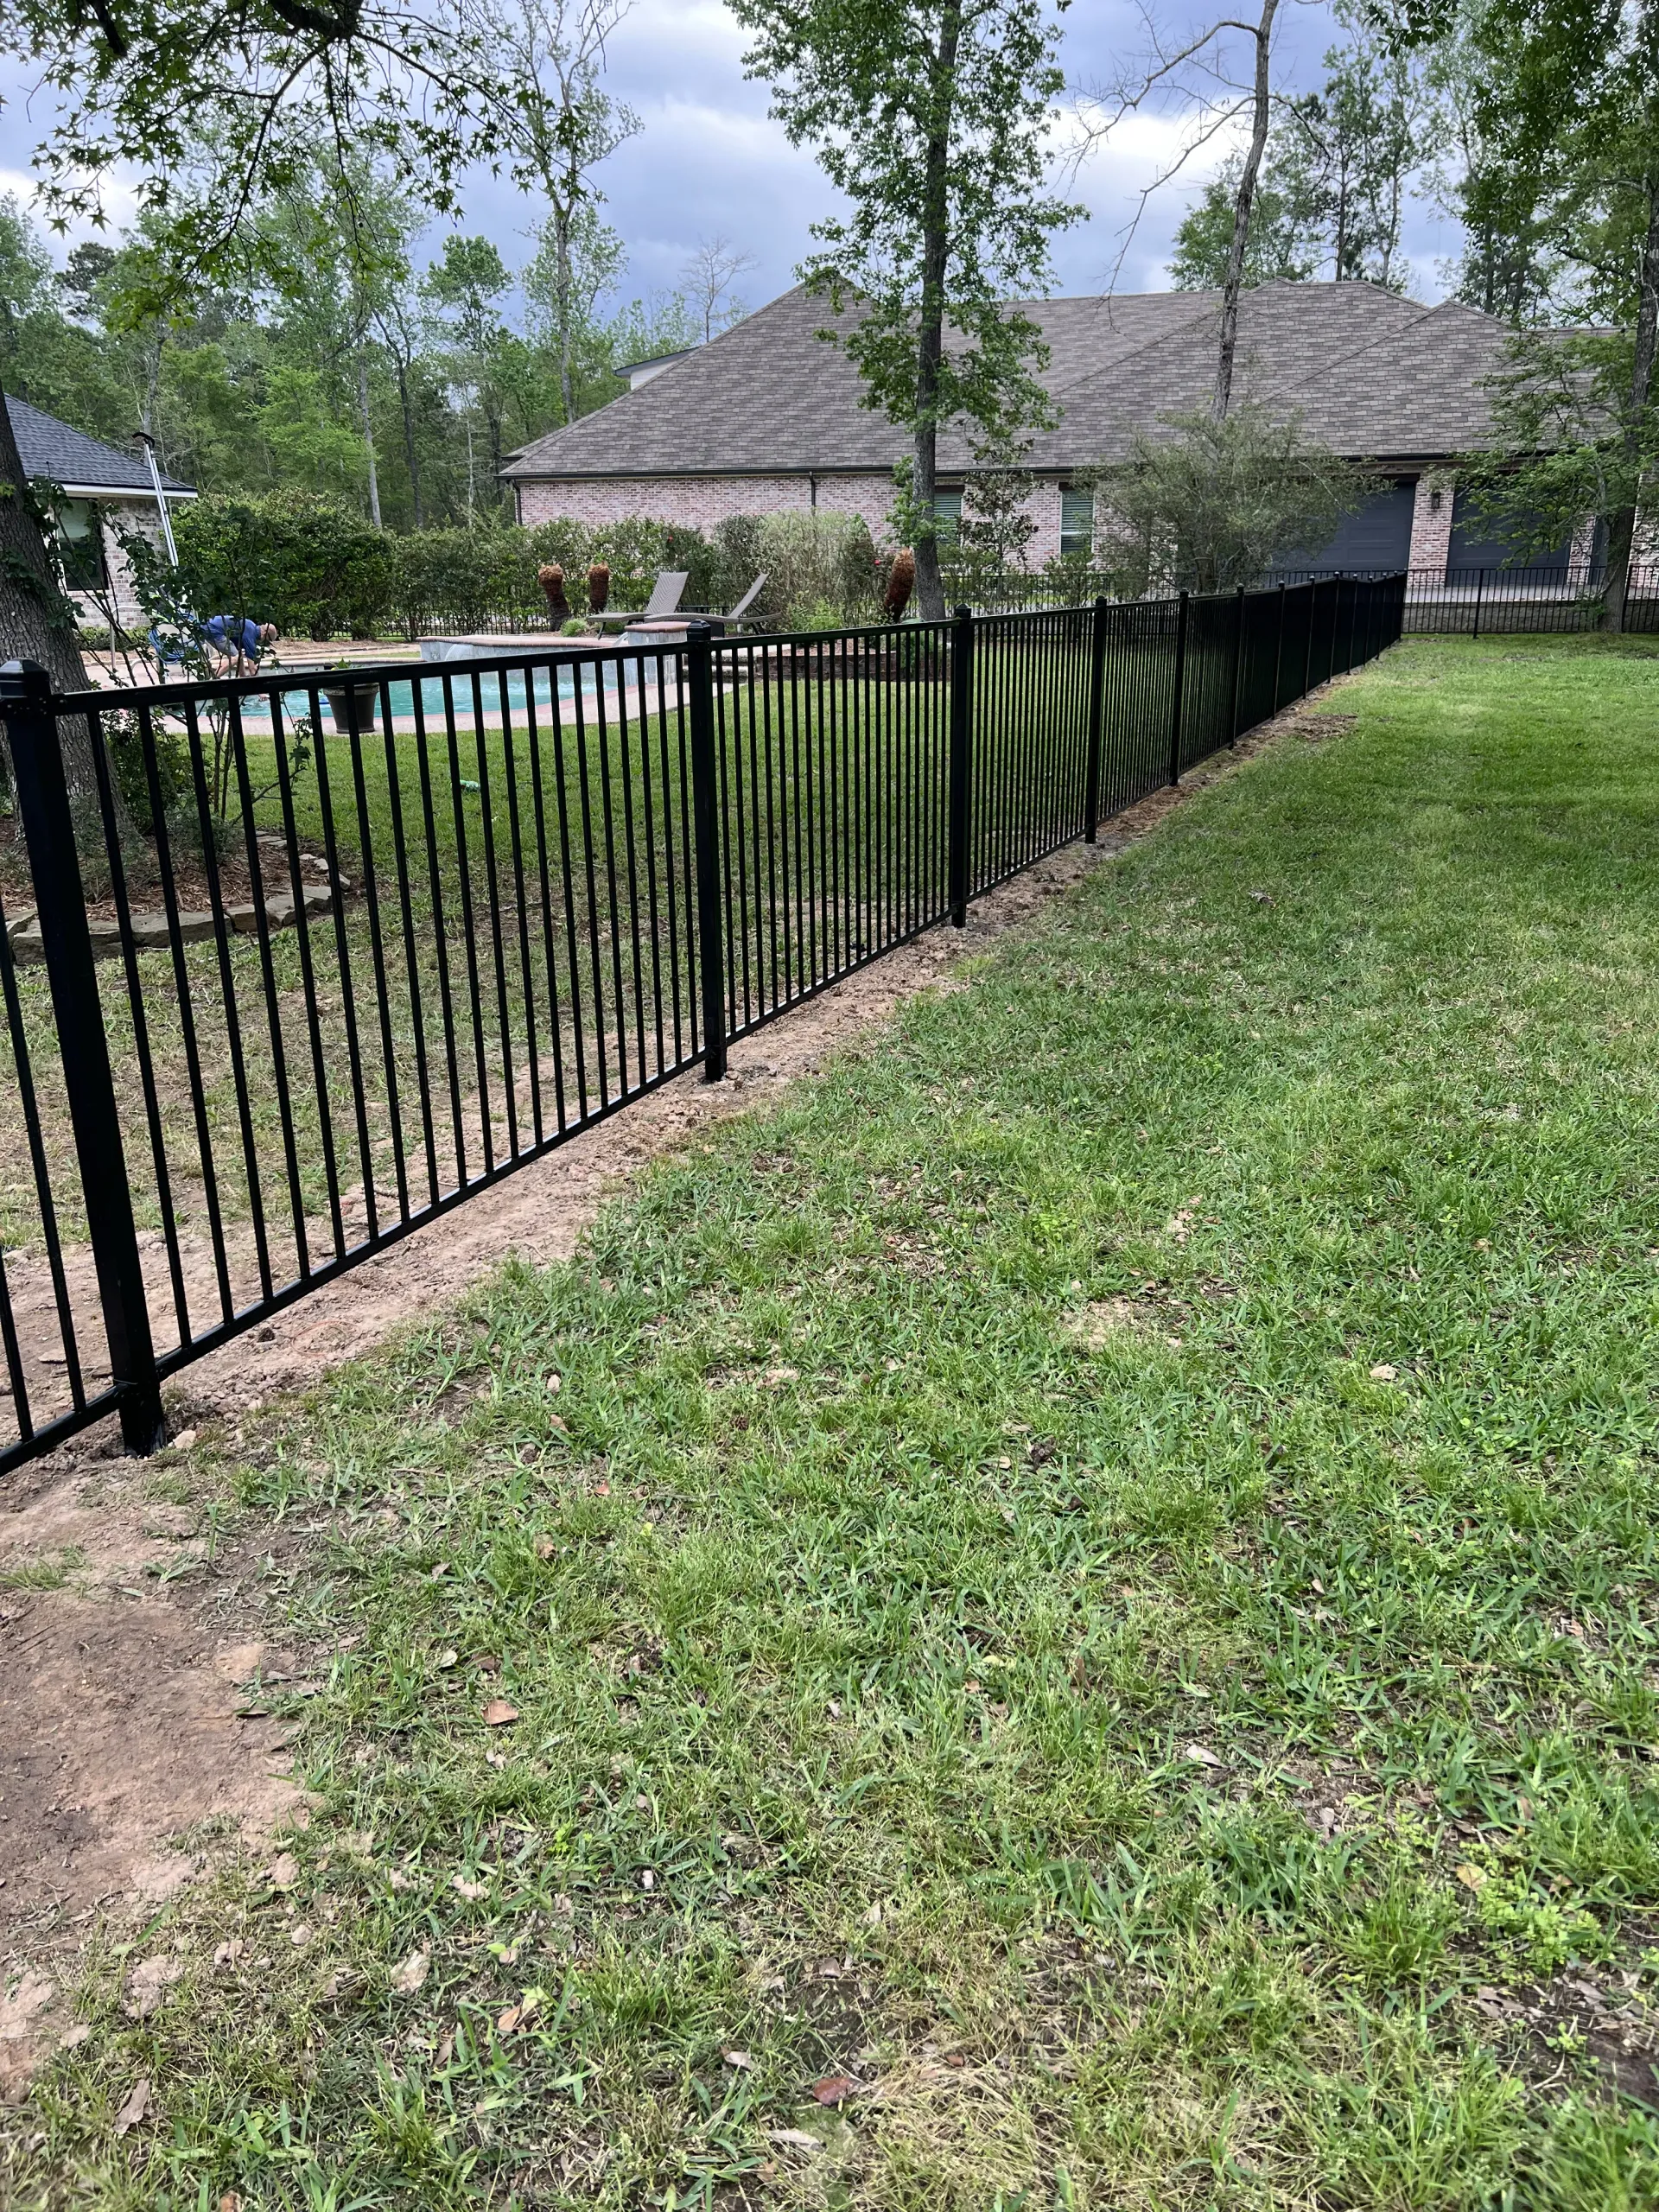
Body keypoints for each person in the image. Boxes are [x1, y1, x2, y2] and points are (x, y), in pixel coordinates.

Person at [202, 614, 281, 674]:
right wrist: (261, 692)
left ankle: (242, 681)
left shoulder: (250, 627)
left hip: (208, 627)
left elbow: (240, 656)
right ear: (264, 633)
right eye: (267, 640)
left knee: (238, 655)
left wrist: (244, 680)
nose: (265, 643)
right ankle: (213, 681)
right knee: (235, 657)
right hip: (213, 629)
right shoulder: (251, 635)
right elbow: (252, 668)